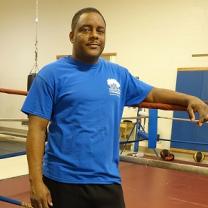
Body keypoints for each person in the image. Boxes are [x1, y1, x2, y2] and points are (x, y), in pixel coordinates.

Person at [21, 7, 208, 208]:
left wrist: (189, 98)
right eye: (86, 29)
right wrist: (36, 182)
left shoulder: (119, 75)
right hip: (62, 180)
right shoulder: (50, 75)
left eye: (100, 31)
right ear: (72, 35)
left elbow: (152, 93)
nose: (94, 35)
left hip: (107, 181)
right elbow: (36, 130)